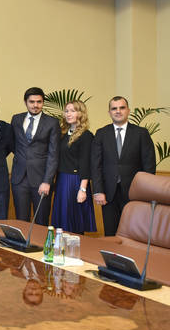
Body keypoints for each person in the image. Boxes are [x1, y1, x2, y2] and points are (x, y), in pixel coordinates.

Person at [91, 96, 156, 236]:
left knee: (133, 233)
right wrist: (98, 190)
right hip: (108, 194)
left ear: (128, 110)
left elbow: (149, 165)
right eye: (114, 108)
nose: (118, 111)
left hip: (135, 193)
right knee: (110, 233)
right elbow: (95, 165)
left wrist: (146, 193)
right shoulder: (101, 133)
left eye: (122, 108)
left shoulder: (141, 133)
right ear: (109, 112)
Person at [10, 87, 60, 226]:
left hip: (41, 180)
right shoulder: (16, 119)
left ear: (43, 102)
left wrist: (47, 181)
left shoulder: (52, 122)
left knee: (41, 220)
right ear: (25, 102)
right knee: (21, 221)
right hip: (19, 179)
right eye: (32, 102)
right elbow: (13, 144)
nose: (35, 105)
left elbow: (53, 154)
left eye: (39, 102)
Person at [51, 100, 96, 234]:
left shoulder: (86, 135)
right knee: (61, 222)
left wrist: (82, 189)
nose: (68, 114)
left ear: (81, 113)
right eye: (66, 111)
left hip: (75, 182)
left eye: (73, 111)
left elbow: (86, 163)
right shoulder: (63, 134)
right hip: (62, 180)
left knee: (73, 222)